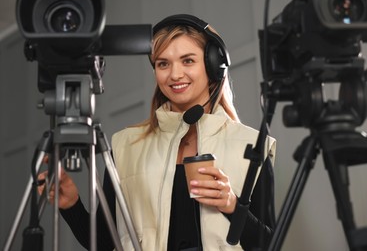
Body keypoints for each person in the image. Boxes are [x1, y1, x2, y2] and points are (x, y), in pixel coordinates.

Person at [38, 14, 276, 251]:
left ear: (214, 66)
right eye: (163, 63)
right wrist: (70, 203)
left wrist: (233, 206)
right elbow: (104, 242)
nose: (174, 74)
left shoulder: (252, 145)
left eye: (188, 61)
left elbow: (270, 244)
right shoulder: (126, 146)